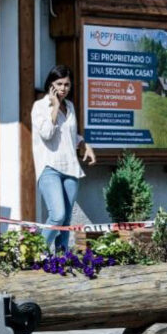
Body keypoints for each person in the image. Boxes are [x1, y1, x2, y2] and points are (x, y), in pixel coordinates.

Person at [31, 65, 96, 252]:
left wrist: (85, 145)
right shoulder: (40, 106)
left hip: (71, 167)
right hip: (49, 167)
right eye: (59, 84)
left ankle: (61, 258)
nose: (63, 88)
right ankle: (38, 252)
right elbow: (47, 133)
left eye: (67, 84)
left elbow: (70, 135)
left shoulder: (71, 106)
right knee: (57, 215)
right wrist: (55, 107)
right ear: (50, 85)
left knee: (66, 220)